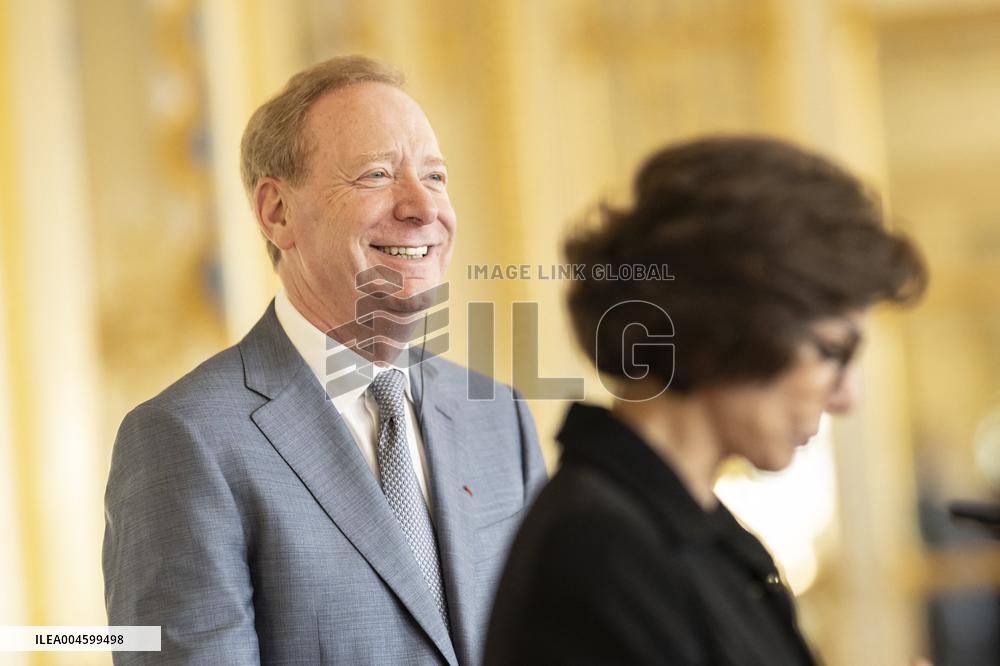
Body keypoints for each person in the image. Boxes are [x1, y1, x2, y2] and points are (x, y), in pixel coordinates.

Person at [103, 55, 547, 665]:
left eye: (437, 176)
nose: (423, 207)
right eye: (376, 175)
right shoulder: (182, 439)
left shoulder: (500, 418)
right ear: (277, 213)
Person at [485, 136, 928, 665]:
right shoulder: (596, 550)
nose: (846, 397)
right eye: (831, 351)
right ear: (727, 322)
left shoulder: (710, 538)